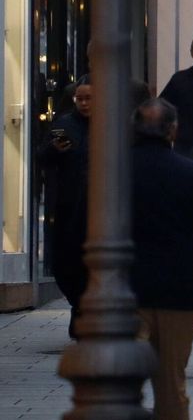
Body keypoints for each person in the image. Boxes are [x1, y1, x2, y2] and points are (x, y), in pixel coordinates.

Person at [130, 98, 193, 420]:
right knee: (172, 384)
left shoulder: (111, 174)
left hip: (123, 292)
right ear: (173, 130)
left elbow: (78, 230)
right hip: (179, 293)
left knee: (116, 384)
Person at [40, 82, 91, 338]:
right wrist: (53, 150)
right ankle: (78, 303)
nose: (83, 103)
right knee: (65, 262)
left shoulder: (111, 125)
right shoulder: (63, 125)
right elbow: (41, 156)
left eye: (88, 98)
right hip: (68, 204)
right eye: (79, 99)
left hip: (99, 207)